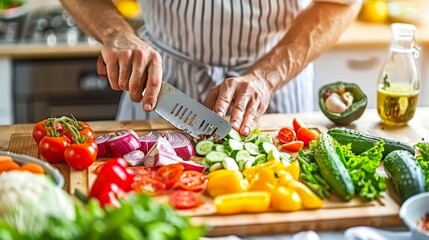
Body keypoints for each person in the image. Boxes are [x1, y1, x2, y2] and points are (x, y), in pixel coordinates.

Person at [60, 0, 362, 136]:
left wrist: (266, 77)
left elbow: (341, 3)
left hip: (272, 88)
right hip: (161, 84)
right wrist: (116, 33)